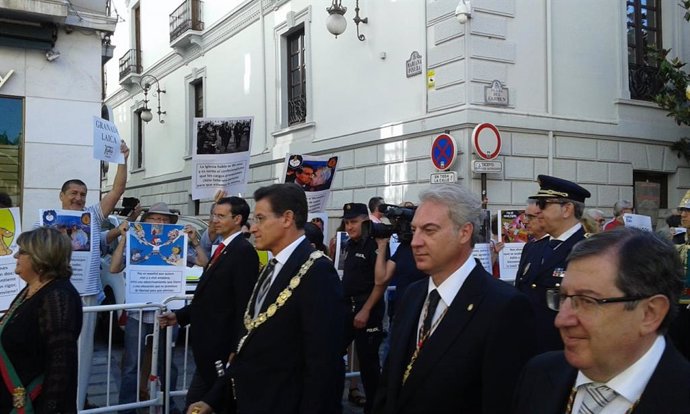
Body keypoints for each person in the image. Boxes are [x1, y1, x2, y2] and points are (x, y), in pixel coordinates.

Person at [374, 184, 536, 414]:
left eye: (429, 230)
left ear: (464, 232)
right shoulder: (413, 294)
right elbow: (389, 384)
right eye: (414, 230)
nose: (416, 242)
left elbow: (501, 401)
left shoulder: (504, 307)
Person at [512, 228, 690, 413]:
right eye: (563, 297)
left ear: (650, 313)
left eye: (588, 301)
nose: (561, 320)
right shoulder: (539, 375)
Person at [229, 183, 344, 414]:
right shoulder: (272, 267)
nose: (253, 228)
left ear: (287, 218)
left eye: (260, 218)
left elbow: (323, 364)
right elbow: (250, 338)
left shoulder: (317, 271)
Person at [159, 197, 259, 413]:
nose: (214, 220)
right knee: (197, 404)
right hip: (207, 349)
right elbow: (211, 296)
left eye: (221, 216)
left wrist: (235, 349)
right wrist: (180, 316)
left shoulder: (242, 252)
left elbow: (244, 304)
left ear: (238, 219)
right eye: (214, 215)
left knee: (209, 404)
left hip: (222, 350)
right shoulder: (222, 248)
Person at [53, 140, 128, 409]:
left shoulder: (91, 216)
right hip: (56, 297)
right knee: (55, 353)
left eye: (83, 194)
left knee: (83, 354)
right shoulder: (47, 220)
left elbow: (118, 190)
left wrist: (123, 159)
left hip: (86, 296)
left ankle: (78, 403)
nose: (78, 198)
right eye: (73, 193)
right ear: (61, 195)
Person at [110, 202, 205, 414]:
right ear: (146, 221)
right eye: (155, 218)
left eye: (164, 219)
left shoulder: (177, 242)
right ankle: (127, 409)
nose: (159, 223)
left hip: (167, 312)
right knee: (132, 365)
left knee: (166, 364)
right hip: (138, 311)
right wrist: (124, 238)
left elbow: (203, 261)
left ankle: (167, 405)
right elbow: (115, 267)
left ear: (171, 223)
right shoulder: (135, 241)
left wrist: (194, 240)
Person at [0, 227, 82, 413]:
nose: (15, 256)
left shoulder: (58, 296)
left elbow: (60, 364)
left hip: (34, 404)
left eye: (22, 252)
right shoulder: (32, 289)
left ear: (40, 257)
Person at [515, 175, 591, 353]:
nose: (538, 211)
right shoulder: (532, 248)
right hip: (528, 348)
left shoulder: (590, 250)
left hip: (564, 351)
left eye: (544, 205)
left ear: (567, 209)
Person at [338, 202, 387, 414]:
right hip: (347, 309)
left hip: (368, 310)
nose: (349, 226)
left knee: (369, 365)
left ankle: (375, 407)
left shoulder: (375, 245)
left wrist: (365, 310)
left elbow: (381, 282)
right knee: (331, 352)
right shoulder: (350, 244)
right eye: (347, 222)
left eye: (354, 222)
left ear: (365, 221)